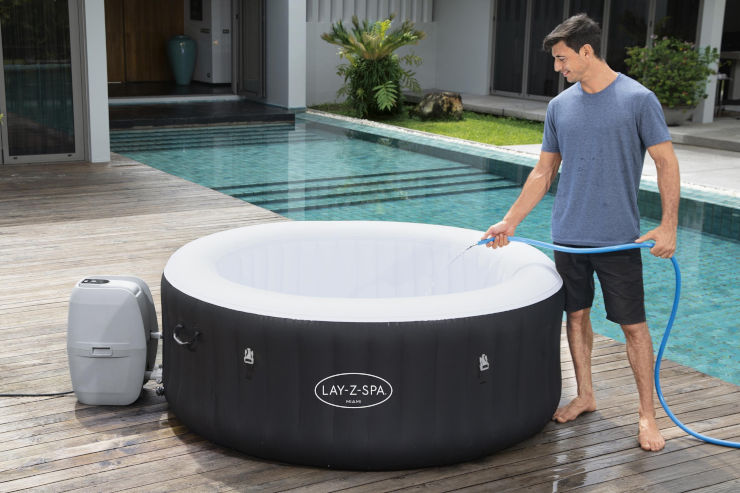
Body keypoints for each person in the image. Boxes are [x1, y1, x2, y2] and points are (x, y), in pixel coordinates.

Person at [481, 13, 680, 452]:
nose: (558, 68)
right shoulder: (560, 107)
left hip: (618, 239)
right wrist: (510, 221)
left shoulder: (638, 100)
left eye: (562, 58)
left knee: (633, 327)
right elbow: (543, 172)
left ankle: (647, 416)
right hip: (568, 235)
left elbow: (666, 162)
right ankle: (586, 394)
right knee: (575, 316)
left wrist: (669, 226)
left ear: (586, 51)